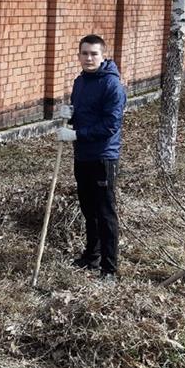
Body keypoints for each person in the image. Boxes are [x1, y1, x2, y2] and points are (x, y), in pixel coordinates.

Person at [58, 34, 126, 280]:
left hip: (103, 157)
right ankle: (92, 256)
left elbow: (111, 125)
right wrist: (70, 115)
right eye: (84, 53)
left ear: (103, 55)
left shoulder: (112, 85)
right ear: (79, 56)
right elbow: (83, 115)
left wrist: (76, 135)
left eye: (94, 54)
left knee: (105, 213)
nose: (89, 58)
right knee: (88, 209)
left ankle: (109, 268)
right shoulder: (80, 82)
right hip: (83, 155)